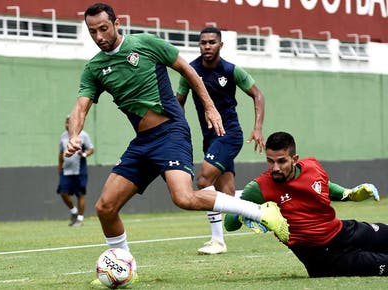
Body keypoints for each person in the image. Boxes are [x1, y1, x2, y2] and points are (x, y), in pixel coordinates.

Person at [66, 2, 289, 264]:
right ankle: (124, 264)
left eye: (104, 28)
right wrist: (73, 136)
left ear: (117, 24)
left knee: (183, 197)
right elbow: (80, 108)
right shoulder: (94, 68)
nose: (99, 37)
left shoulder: (146, 44)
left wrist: (210, 107)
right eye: (93, 32)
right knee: (105, 208)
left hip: (171, 132)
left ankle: (260, 212)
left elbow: (187, 69)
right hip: (142, 143)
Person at [224, 131, 386, 277]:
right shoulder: (258, 188)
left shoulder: (312, 167)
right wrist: (251, 213)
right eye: (270, 161)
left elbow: (325, 186)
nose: (275, 168)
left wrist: (349, 193)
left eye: (281, 161)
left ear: (294, 159)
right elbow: (229, 224)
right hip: (323, 257)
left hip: (343, 231)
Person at [176, 26, 267, 254]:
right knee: (226, 195)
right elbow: (179, 101)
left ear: (220, 45)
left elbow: (258, 94)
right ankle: (262, 204)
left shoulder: (231, 70)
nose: (207, 46)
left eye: (211, 42)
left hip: (229, 135)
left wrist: (257, 128)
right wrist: (176, 129)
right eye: (203, 42)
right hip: (210, 139)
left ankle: (218, 241)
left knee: (203, 181)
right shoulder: (190, 70)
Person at [57, 115, 94, 227]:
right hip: (66, 170)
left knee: (80, 194)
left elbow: (91, 149)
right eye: (66, 122)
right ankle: (74, 212)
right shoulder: (63, 136)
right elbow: (60, 152)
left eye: (70, 122)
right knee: (63, 192)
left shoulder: (83, 135)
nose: (68, 124)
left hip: (79, 170)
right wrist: (59, 165)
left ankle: (80, 219)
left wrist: (83, 154)